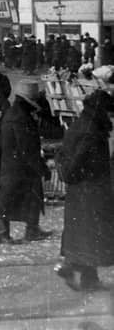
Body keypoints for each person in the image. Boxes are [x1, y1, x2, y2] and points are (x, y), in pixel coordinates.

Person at [54, 90, 114, 291]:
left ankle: (86, 277)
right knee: (92, 235)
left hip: (80, 193)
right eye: (109, 112)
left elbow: (64, 155)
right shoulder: (92, 132)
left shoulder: (80, 124)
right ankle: (72, 267)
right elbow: (76, 164)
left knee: (86, 236)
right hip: (91, 192)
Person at [0, 80, 52, 243]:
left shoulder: (16, 113)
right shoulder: (20, 117)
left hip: (14, 165)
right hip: (18, 167)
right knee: (10, 198)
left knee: (19, 197)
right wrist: (41, 168)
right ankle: (2, 233)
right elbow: (27, 148)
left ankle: (29, 230)